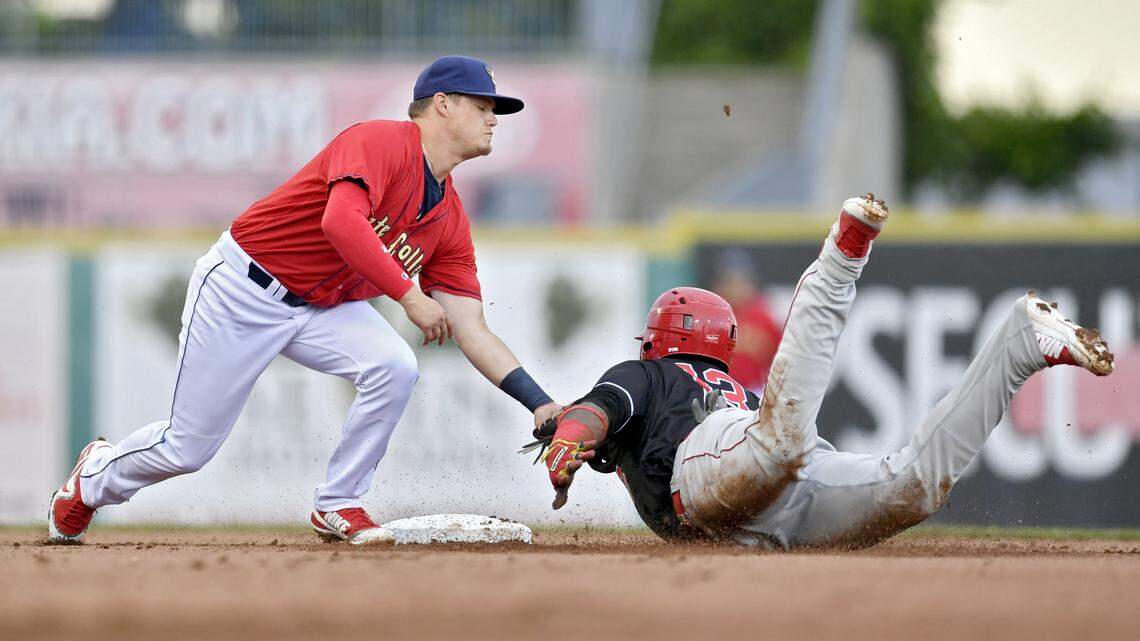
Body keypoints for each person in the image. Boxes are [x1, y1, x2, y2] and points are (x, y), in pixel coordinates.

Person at [49, 55, 561, 545]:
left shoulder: (450, 220)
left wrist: (539, 402)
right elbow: (340, 221)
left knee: (394, 366)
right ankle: (93, 479)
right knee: (188, 448)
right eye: (482, 105)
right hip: (245, 288)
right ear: (443, 104)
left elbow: (472, 329)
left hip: (324, 306)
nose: (493, 119)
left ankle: (339, 501)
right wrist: (408, 295)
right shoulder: (380, 141)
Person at [531, 193, 1115, 548]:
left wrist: (570, 436)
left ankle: (841, 258)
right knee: (912, 488)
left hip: (710, 471)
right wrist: (570, 436)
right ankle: (1020, 346)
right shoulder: (724, 386)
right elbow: (598, 426)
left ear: (658, 339)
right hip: (763, 511)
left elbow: (599, 410)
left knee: (781, 442)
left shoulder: (649, 374)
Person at [710, 250, 782, 393]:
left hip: (755, 392)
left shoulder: (764, 318)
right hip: (716, 390)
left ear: (751, 284)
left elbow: (780, 360)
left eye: (741, 282)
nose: (736, 289)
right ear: (718, 285)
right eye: (730, 282)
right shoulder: (710, 316)